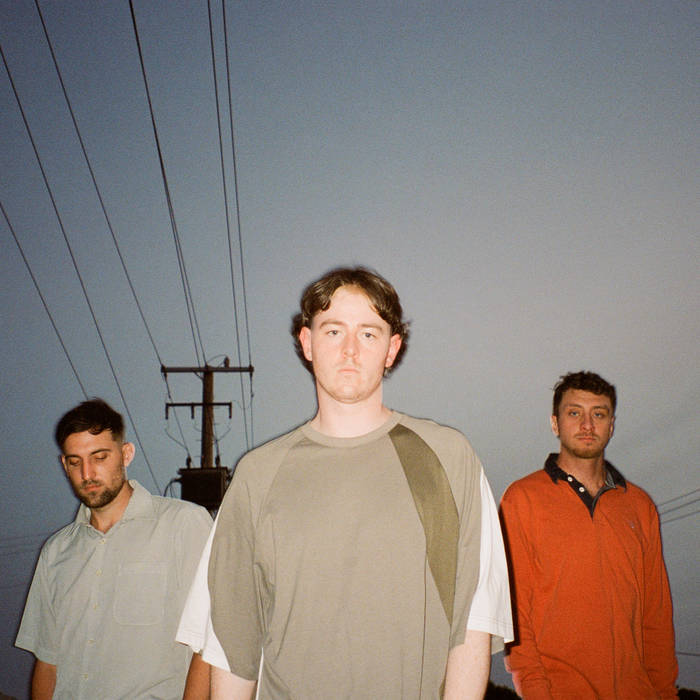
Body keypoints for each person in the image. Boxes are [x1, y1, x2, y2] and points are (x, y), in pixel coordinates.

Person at [177, 266, 513, 699]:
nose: (350, 350)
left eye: (369, 334)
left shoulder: (450, 459)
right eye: (334, 331)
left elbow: (474, 620)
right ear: (307, 342)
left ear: (392, 349)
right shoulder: (257, 476)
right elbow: (232, 642)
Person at [15, 398, 213, 699]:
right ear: (64, 465)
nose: (87, 473)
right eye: (75, 462)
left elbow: (209, 642)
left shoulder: (184, 525)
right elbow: (47, 663)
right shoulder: (55, 551)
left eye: (99, 457)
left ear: (126, 454)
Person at [500, 371, 678, 699]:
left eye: (598, 414)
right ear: (555, 423)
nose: (587, 424)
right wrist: (536, 692)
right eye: (574, 413)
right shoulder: (522, 499)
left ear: (611, 425)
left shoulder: (640, 506)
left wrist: (665, 693)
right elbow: (514, 612)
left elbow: (656, 615)